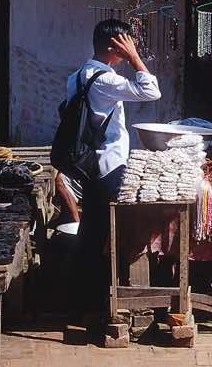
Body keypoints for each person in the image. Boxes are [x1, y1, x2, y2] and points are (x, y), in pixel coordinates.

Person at [68, 19, 161, 316]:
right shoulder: (105, 80)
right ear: (114, 46)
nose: (130, 48)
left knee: (93, 232)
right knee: (109, 235)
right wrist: (135, 59)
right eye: (127, 43)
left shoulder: (78, 75)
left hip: (88, 165)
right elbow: (150, 91)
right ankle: (99, 304)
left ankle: (85, 301)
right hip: (108, 166)